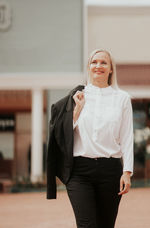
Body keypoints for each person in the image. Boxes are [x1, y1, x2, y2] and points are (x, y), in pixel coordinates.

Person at [46, 49, 134, 228]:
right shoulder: (77, 97)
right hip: (79, 172)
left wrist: (127, 172)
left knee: (105, 225)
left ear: (111, 69)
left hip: (110, 171)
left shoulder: (122, 99)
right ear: (88, 67)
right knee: (86, 225)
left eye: (103, 62)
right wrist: (76, 112)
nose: (98, 66)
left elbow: (127, 137)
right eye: (94, 62)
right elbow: (62, 135)